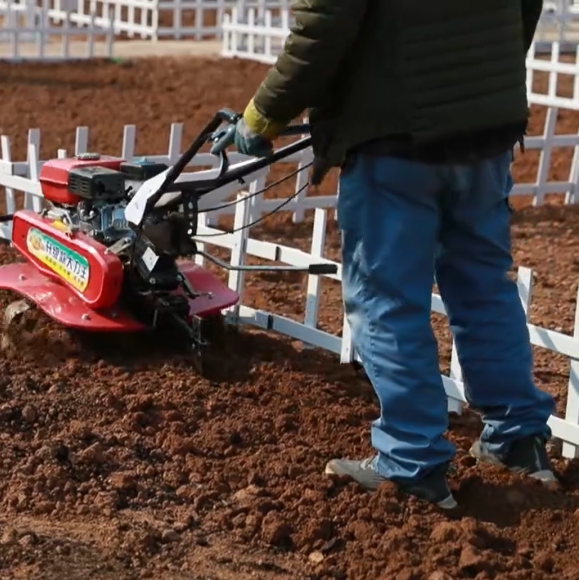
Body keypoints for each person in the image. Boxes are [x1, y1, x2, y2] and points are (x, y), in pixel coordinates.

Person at [231, 0, 558, 509]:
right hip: (486, 126)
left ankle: (411, 461)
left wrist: (263, 115)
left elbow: (325, 22)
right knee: (483, 285)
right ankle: (518, 442)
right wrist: (482, 81)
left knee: (387, 296)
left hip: (397, 135)